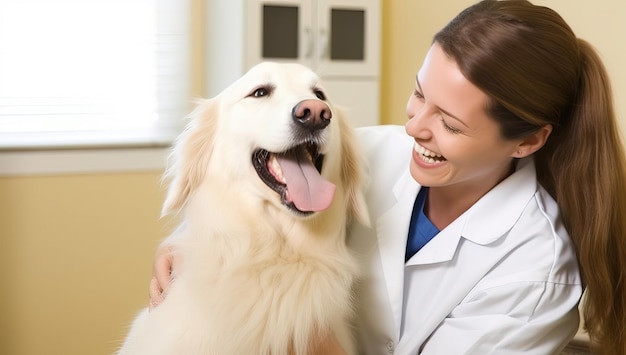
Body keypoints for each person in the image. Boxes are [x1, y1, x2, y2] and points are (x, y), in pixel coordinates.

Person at [149, 0, 626, 353]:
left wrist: (313, 337)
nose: (415, 127)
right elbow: (245, 187)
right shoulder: (370, 152)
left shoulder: (535, 274)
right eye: (419, 95)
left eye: (450, 124)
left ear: (526, 143)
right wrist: (187, 243)